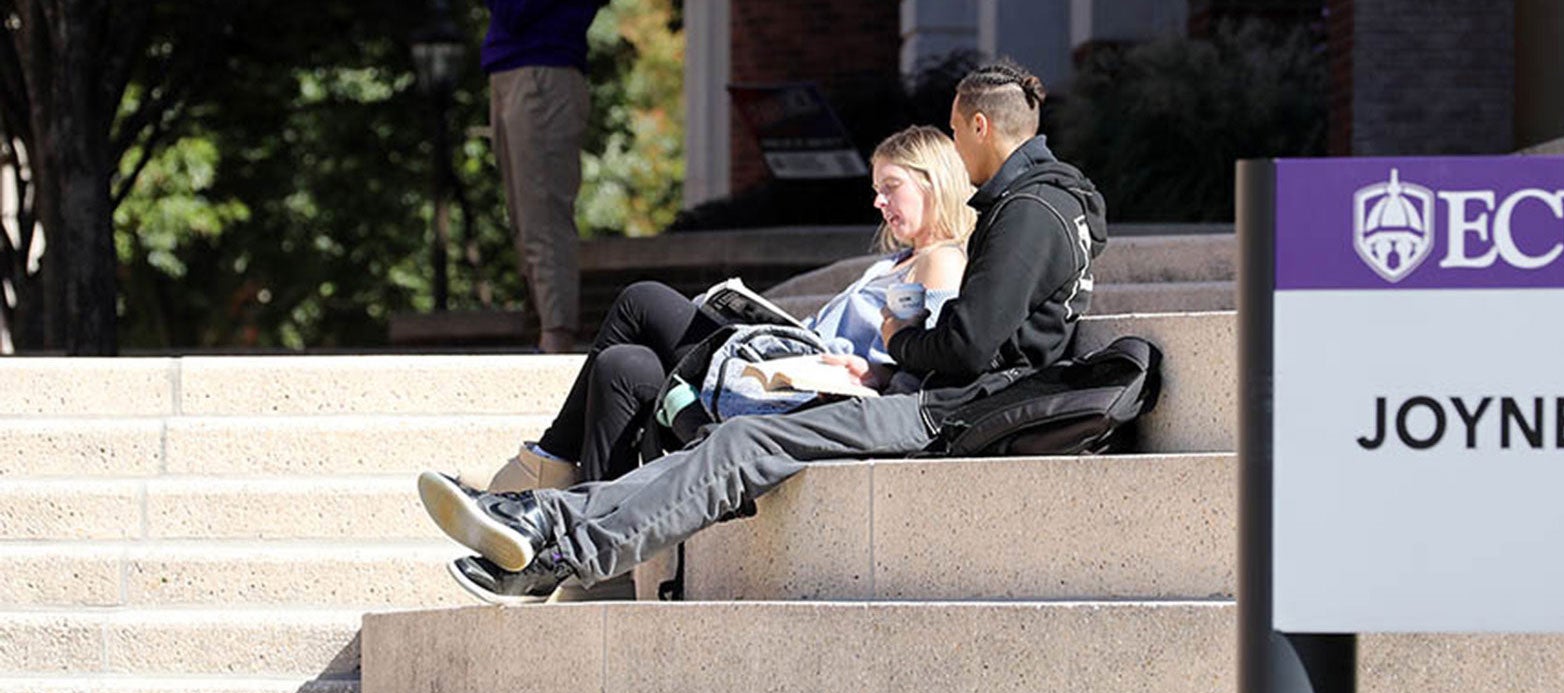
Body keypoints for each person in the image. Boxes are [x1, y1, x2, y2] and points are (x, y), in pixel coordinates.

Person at [418, 60, 1107, 603]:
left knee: (732, 435)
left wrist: (894, 342)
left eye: (957, 135)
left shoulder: (1029, 212)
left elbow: (965, 347)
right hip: (936, 404)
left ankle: (551, 543)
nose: (959, 151)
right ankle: (539, 528)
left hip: (942, 413)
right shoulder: (1047, 207)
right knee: (706, 420)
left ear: (980, 126)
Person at [477, 125, 975, 491]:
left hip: (809, 398)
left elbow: (931, 360)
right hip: (781, 367)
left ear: (933, 182)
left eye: (891, 187)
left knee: (641, 299)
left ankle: (547, 464)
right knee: (623, 365)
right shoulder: (897, 260)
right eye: (876, 190)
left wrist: (871, 375)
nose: (879, 203)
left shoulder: (942, 261)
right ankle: (595, 540)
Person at [486, 0, 606, 353]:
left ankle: (555, 339)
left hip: (544, 73)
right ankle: (547, 331)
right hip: (512, 68)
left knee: (543, 216)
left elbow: (515, 11)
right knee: (524, 219)